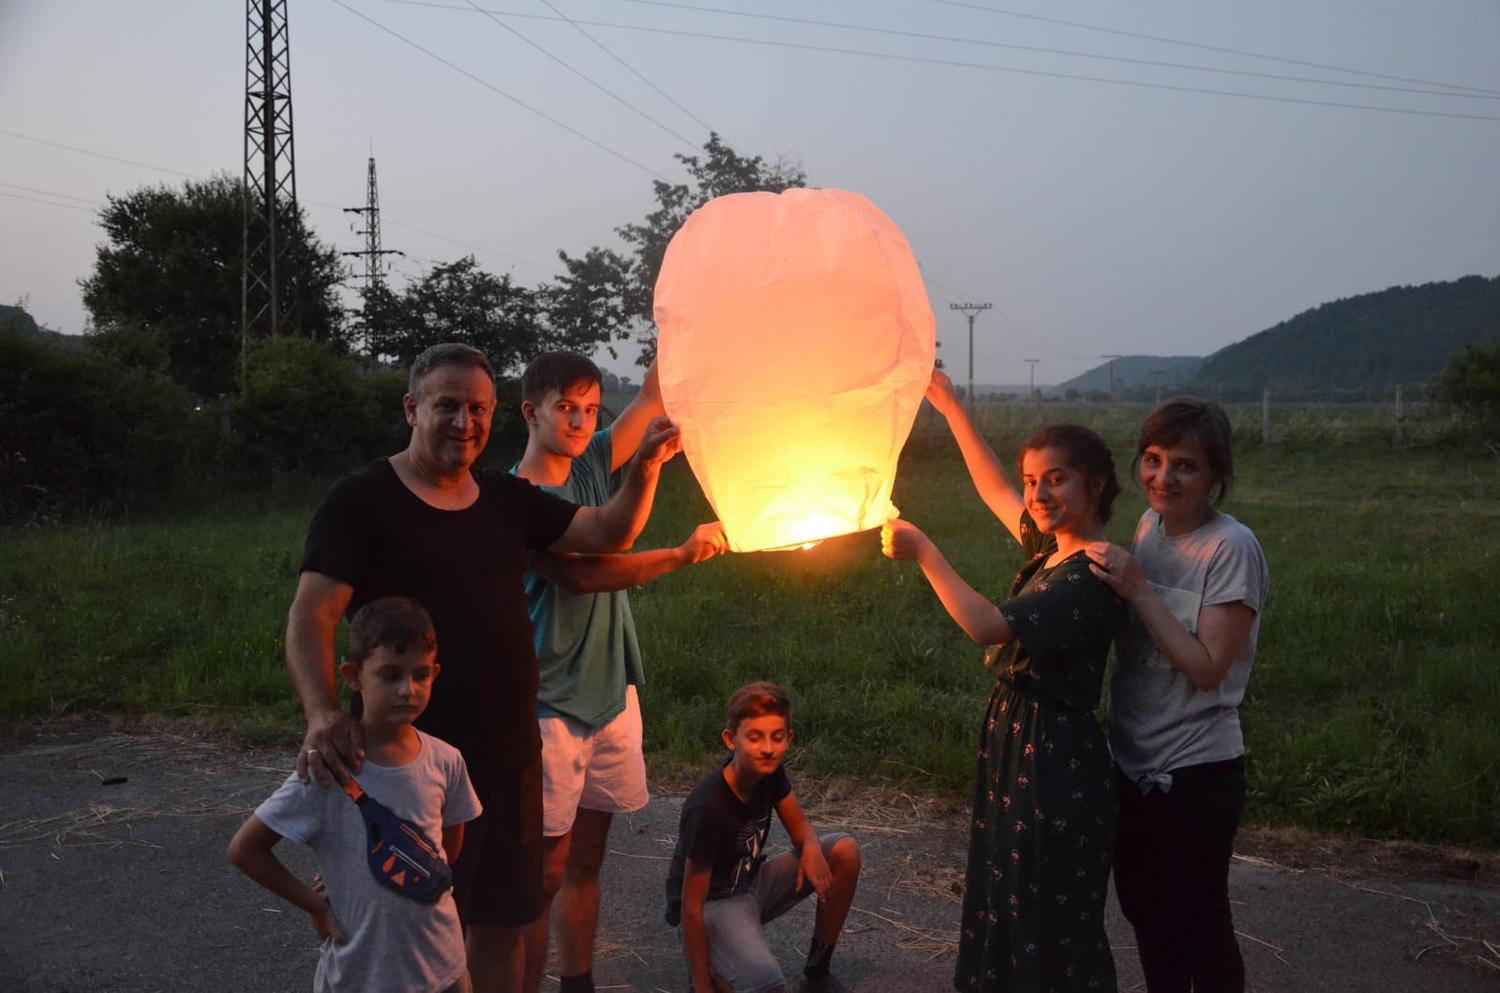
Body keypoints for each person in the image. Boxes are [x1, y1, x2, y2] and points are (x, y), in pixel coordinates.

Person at [286, 343, 681, 993]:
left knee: (501, 924)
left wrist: (648, 467)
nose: (463, 421)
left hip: (507, 760)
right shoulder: (360, 501)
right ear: (412, 408)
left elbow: (607, 533)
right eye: (447, 405)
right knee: (397, 928)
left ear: (495, 414)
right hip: (404, 765)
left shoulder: (507, 500)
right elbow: (311, 616)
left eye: (477, 408)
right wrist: (324, 712)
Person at [880, 369, 1125, 992]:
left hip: (1055, 756)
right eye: (1032, 481)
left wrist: (927, 554)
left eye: (1056, 480)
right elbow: (993, 490)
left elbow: (989, 627)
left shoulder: (1089, 574)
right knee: (1009, 891)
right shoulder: (1053, 549)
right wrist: (950, 405)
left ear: (1096, 484)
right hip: (1022, 742)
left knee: (1045, 903)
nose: (1037, 494)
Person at [510, 352, 728, 993]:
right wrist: (681, 549)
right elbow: (593, 564)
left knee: (585, 861)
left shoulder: (590, 461)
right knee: (541, 873)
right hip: (551, 700)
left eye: (588, 409)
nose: (580, 421)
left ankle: (577, 982)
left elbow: (650, 401)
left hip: (609, 694)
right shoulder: (518, 498)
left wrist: (684, 319)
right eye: (565, 408)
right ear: (532, 412)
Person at [1084, 397, 1269, 993]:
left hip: (1195, 771)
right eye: (1154, 459)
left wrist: (1140, 592)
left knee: (1200, 925)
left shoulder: (1230, 548)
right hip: (1131, 761)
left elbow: (1210, 667)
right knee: (1144, 915)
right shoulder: (1148, 528)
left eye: (1185, 465)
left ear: (1215, 476)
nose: (1164, 478)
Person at [229, 596, 482, 993]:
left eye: (420, 675)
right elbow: (246, 849)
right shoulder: (328, 769)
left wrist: (360, 874)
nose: (407, 690)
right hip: (361, 975)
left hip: (444, 970)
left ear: (436, 673)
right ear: (352, 676)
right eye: (389, 675)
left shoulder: (446, 761)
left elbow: (447, 848)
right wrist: (316, 907)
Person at [665, 682, 861, 993]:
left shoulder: (770, 770)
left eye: (777, 737)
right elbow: (690, 905)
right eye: (755, 737)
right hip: (713, 905)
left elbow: (800, 829)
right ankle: (712, 972)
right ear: (731, 739)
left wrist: (810, 845)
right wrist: (700, 985)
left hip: (750, 883)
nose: (768, 748)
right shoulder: (708, 807)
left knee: (844, 851)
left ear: (789, 740)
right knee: (766, 984)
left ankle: (818, 970)